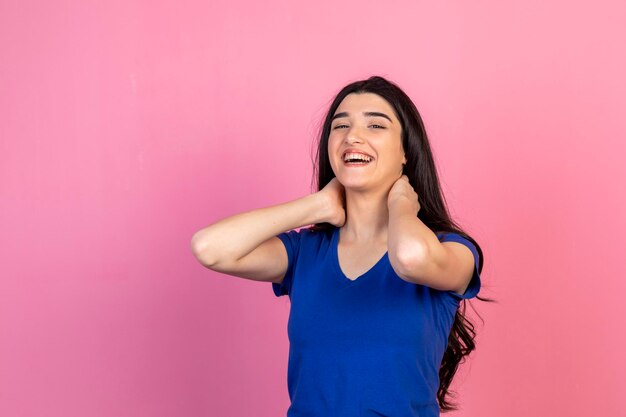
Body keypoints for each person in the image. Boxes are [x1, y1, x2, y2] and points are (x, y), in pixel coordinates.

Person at [191, 75, 492, 416]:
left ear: (406, 151)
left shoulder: (451, 249)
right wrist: (317, 206)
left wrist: (403, 205)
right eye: (341, 126)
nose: (353, 136)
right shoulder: (305, 252)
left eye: (375, 125)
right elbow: (209, 247)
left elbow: (410, 257)